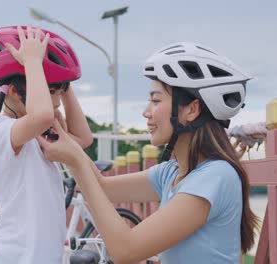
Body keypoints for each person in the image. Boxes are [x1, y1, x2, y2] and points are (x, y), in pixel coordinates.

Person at [37, 42, 260, 263]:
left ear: (192, 110)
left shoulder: (216, 175)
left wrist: (75, 158)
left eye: (155, 100)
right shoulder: (172, 172)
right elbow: (103, 187)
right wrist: (64, 88)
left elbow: (126, 251)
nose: (146, 112)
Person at [0, 25, 93, 263]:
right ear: (15, 91)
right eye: (50, 92)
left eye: (58, 93)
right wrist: (32, 62)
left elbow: (83, 139)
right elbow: (42, 116)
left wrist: (64, 81)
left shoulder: (35, 136)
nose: (56, 103)